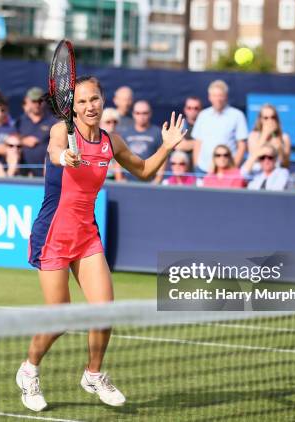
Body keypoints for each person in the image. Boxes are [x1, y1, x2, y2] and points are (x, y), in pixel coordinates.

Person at [20, 75, 186, 412]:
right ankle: (29, 370)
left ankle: (93, 375)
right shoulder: (61, 132)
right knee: (60, 317)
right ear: (73, 106)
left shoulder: (112, 142)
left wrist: (167, 146)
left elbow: (143, 170)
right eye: (81, 102)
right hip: (52, 234)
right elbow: (54, 150)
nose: (88, 106)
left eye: (93, 99)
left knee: (105, 311)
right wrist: (63, 156)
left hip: (86, 235)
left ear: (102, 100)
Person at [192, 80, 248, 173]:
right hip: (202, 169)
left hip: (227, 171)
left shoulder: (237, 115)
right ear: (209, 97)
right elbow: (198, 143)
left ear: (226, 96)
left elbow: (242, 146)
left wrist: (233, 169)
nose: (218, 99)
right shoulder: (203, 115)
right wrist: (196, 165)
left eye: (220, 95)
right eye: (214, 95)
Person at [117, 100, 164, 183]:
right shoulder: (125, 133)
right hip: (128, 181)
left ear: (150, 114)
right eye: (138, 113)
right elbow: (118, 157)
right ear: (133, 114)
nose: (141, 116)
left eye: (144, 113)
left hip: (150, 181)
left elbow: (163, 157)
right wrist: (119, 178)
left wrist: (158, 180)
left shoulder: (157, 133)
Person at [15, 87, 56, 177]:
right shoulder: (21, 120)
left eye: (40, 101)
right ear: (27, 101)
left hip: (47, 172)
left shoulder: (53, 121)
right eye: (34, 101)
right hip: (25, 173)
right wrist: (23, 141)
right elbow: (12, 136)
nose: (37, 104)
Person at [247, 104, 291, 169]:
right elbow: (253, 158)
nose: (270, 121)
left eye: (272, 117)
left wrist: (279, 147)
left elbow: (285, 165)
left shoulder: (284, 137)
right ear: (260, 120)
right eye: (266, 118)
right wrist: (264, 135)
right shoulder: (253, 136)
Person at [174, 96, 203, 165]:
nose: (192, 111)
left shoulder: (206, 125)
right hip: (182, 167)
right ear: (185, 109)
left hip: (201, 166)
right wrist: (201, 143)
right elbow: (180, 146)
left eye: (196, 108)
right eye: (189, 108)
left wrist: (188, 144)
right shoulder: (179, 124)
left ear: (201, 110)